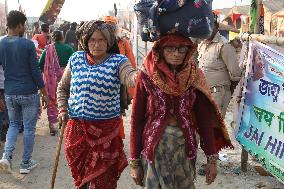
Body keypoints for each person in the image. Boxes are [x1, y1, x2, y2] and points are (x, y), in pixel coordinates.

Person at [129, 34, 233, 188]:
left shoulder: (195, 76)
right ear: (160, 50)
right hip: (155, 151)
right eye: (170, 48)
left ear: (188, 51)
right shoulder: (147, 76)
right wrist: (135, 163)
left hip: (184, 150)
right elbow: (136, 120)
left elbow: (204, 121)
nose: (176, 53)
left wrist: (212, 159)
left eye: (182, 49)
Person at [57, 20, 137, 189]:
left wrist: (138, 78)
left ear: (108, 42)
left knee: (103, 180)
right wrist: (62, 109)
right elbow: (63, 88)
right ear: (86, 41)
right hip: (77, 131)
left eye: (102, 40)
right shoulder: (76, 59)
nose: (97, 44)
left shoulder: (118, 61)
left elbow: (129, 76)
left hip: (105, 132)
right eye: (92, 40)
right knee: (82, 178)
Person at [0, 10, 48, 174]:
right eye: (23, 25)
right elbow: (35, 71)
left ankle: (7, 156)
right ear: (19, 25)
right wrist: (44, 92)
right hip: (28, 92)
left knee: (13, 124)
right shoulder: (27, 44)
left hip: (9, 92)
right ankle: (25, 163)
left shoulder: (0, 43)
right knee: (28, 128)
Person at [197, 17, 241, 117]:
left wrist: (227, 93)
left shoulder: (224, 45)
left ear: (216, 27)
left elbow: (236, 73)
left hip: (218, 95)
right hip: (203, 93)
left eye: (209, 26)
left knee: (215, 128)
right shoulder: (202, 44)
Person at [103, 16, 137, 139]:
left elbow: (130, 65)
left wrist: (131, 82)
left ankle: (116, 138)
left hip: (118, 83)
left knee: (117, 112)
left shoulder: (122, 42)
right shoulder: (101, 42)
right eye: (107, 25)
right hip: (102, 82)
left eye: (110, 25)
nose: (109, 28)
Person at [39, 30, 74, 136]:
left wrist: (47, 71)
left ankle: (52, 127)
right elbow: (74, 64)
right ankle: (62, 121)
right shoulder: (68, 48)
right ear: (62, 37)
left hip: (50, 80)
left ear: (53, 38)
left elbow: (40, 64)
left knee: (51, 101)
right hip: (65, 77)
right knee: (64, 99)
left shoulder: (48, 49)